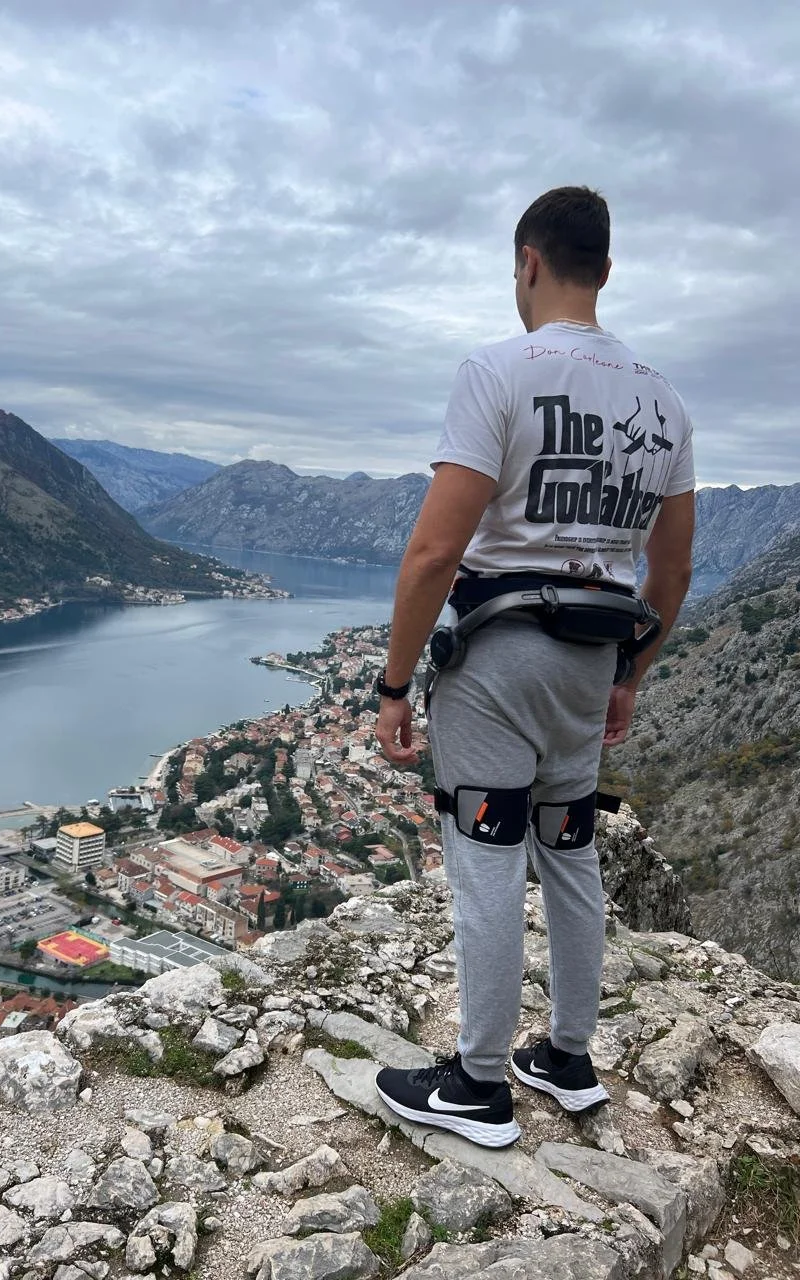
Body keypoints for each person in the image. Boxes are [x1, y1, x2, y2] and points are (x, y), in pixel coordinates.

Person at [373, 186, 695, 1148]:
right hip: (592, 660)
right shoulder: (663, 399)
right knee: (571, 855)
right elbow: (671, 569)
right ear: (605, 267)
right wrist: (630, 674)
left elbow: (435, 553)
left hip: (500, 659)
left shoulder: (498, 371)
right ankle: (567, 1054)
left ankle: (478, 1083)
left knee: (485, 863)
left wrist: (393, 687)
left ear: (527, 262)